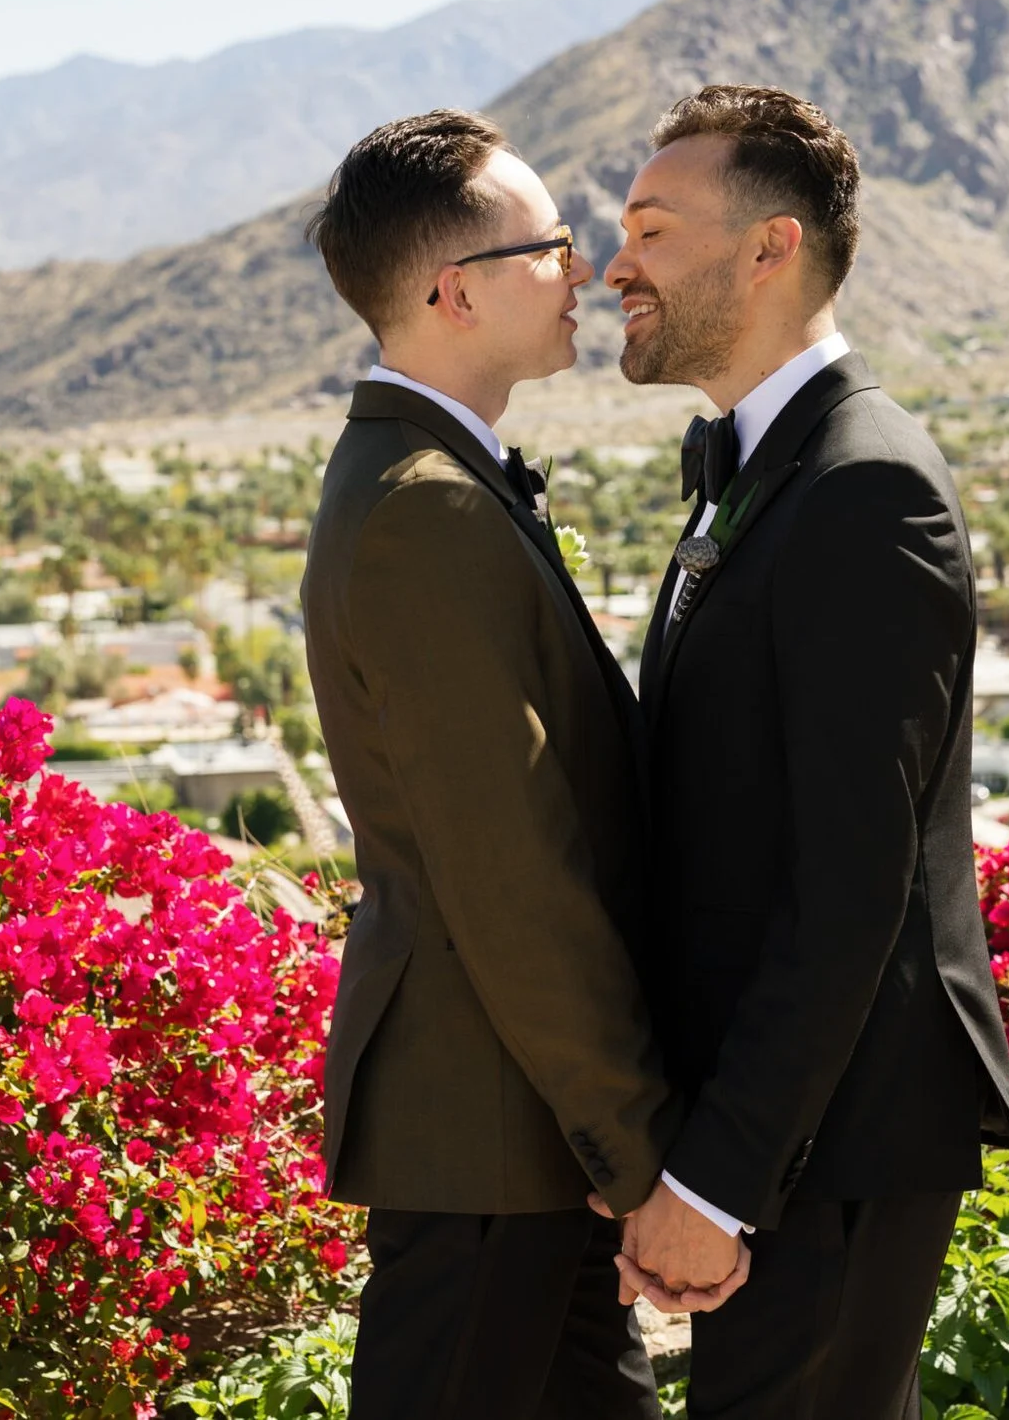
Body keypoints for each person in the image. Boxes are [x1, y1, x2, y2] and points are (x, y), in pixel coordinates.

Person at [299, 109, 740, 1420]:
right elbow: (513, 872)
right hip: (486, 1135)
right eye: (546, 243)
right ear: (453, 290)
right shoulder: (424, 507)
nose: (588, 269)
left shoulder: (436, 480)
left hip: (513, 1139)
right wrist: (635, 1148)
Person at [605, 85, 1009, 1419]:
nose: (618, 264)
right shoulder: (762, 469)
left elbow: (854, 886)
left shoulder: (864, 488)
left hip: (835, 1141)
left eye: (654, 229)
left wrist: (716, 1178)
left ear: (769, 249)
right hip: (789, 1130)